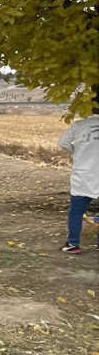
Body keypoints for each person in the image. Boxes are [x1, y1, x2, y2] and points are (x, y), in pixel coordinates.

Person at [58, 104, 99, 254]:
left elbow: (63, 143)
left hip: (84, 174)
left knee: (76, 210)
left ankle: (73, 244)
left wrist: (77, 153)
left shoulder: (79, 125)